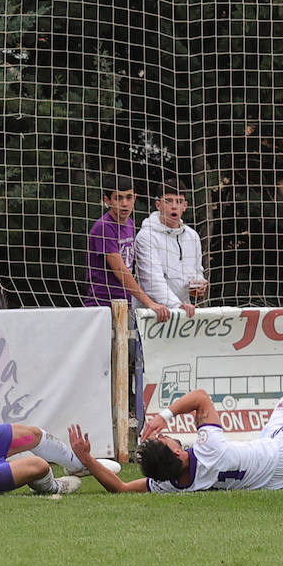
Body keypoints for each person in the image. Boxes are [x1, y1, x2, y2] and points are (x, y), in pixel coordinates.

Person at [66, 387, 283, 493]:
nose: (175, 441)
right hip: (279, 454)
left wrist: (88, 459)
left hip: (272, 481)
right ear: (181, 456)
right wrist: (164, 417)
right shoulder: (207, 448)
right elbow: (200, 398)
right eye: (172, 443)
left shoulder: (169, 485)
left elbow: (121, 488)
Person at [84, 175, 168, 432]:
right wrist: (148, 302)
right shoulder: (103, 227)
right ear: (106, 200)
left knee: (126, 366)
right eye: (118, 198)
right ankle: (99, 426)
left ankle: (120, 425)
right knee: (103, 370)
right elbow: (120, 271)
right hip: (102, 306)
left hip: (124, 306)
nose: (124, 203)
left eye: (129, 197)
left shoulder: (130, 225)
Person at [133, 185, 208, 318]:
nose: (174, 206)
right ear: (158, 205)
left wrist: (198, 285)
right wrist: (177, 306)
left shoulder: (192, 236)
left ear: (185, 206)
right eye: (168, 201)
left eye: (179, 201)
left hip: (183, 314)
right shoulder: (146, 236)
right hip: (150, 315)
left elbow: (197, 271)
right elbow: (152, 281)